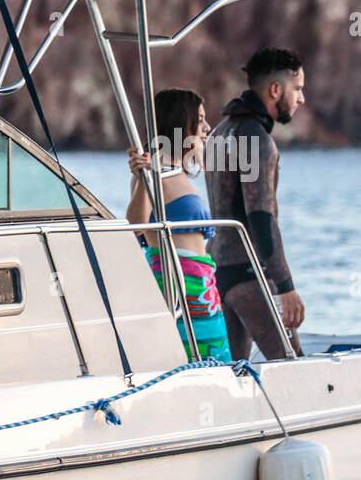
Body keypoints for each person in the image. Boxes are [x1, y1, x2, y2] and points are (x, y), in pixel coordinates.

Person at [204, 47, 306, 360]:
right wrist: (285, 286)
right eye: (298, 88)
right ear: (276, 89)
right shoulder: (257, 140)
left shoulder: (221, 132)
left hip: (219, 271)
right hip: (250, 276)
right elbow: (260, 217)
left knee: (235, 375)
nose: (301, 98)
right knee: (294, 369)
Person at [125, 89, 231, 363]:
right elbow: (135, 227)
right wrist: (144, 177)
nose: (207, 128)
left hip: (202, 283)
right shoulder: (153, 170)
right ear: (178, 124)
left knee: (213, 356)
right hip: (177, 285)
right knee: (192, 359)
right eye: (200, 120)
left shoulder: (178, 172)